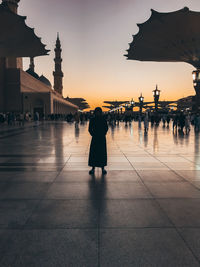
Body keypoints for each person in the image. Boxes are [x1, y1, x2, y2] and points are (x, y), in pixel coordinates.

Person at [88, 107, 108, 175]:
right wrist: (92, 134)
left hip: (101, 138)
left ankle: (103, 168)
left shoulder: (103, 119)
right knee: (94, 153)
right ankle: (93, 168)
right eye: (97, 112)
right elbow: (90, 128)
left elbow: (106, 128)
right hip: (95, 138)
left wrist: (103, 133)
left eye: (99, 112)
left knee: (102, 153)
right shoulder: (92, 119)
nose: (98, 113)